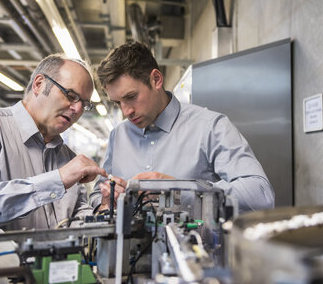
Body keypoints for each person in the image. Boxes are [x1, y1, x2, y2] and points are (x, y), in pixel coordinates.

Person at [90, 42, 274, 213]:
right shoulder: (119, 135)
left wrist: (179, 191)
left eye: (131, 97)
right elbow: (98, 193)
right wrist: (106, 202)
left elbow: (261, 195)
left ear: (156, 79)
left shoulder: (210, 127)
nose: (126, 111)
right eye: (117, 103)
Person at [0, 54, 107, 230]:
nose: (77, 109)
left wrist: (106, 212)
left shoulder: (67, 157)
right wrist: (57, 180)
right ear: (39, 84)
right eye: (70, 95)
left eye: (84, 104)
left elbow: (75, 218)